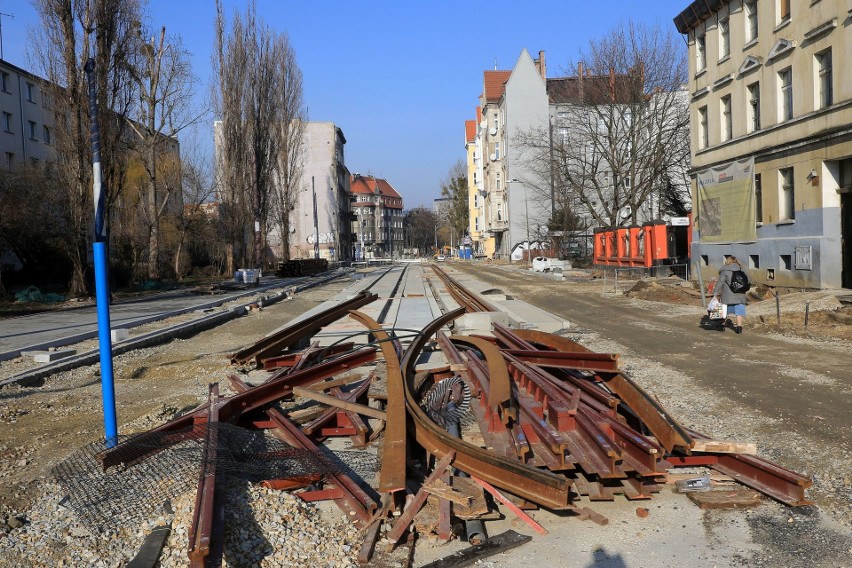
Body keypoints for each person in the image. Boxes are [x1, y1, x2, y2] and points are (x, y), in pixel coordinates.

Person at [712, 255, 748, 334]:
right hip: (740, 295)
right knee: (739, 312)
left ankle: (721, 325)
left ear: (727, 261)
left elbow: (720, 283)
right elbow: (749, 281)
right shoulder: (742, 270)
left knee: (723, 310)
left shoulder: (725, 271)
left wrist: (715, 292)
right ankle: (739, 328)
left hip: (728, 296)